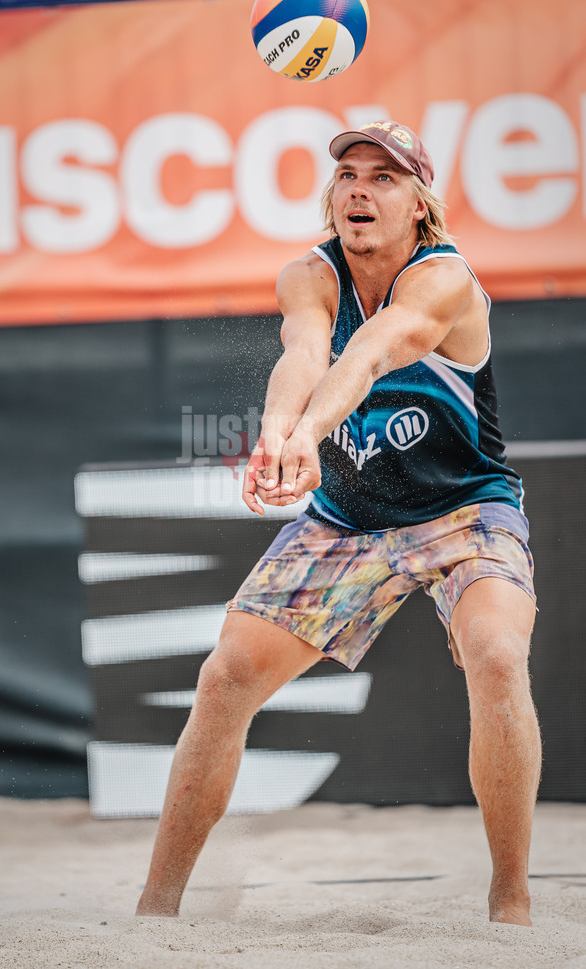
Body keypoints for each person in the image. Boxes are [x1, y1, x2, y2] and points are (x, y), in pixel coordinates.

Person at [136, 121, 541, 927]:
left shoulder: (444, 281)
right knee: (224, 680)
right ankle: (154, 910)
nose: (359, 188)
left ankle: (511, 902)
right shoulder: (308, 274)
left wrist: (308, 437)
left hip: (463, 507)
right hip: (348, 520)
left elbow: (368, 358)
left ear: (420, 206)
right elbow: (306, 353)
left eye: (383, 178)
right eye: (348, 174)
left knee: (495, 654)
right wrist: (279, 434)